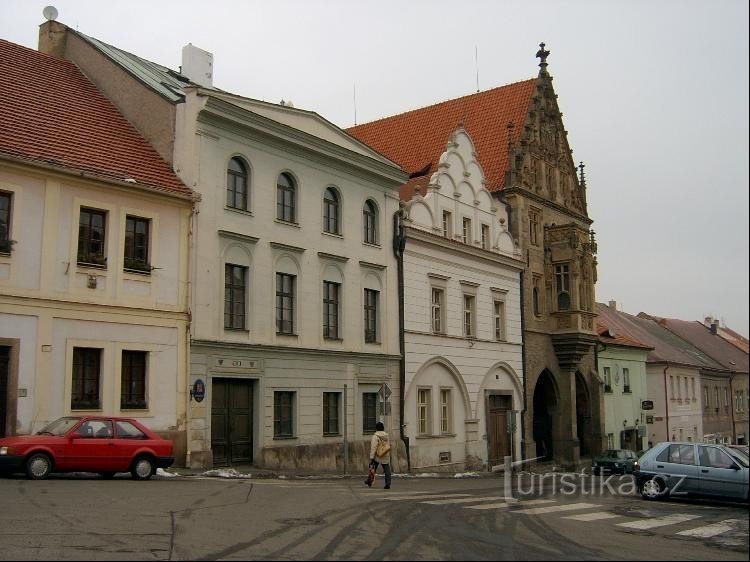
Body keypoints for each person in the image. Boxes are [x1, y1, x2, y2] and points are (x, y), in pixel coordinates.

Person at [364, 421, 392, 489]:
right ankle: (388, 484)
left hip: (378, 455)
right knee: (387, 470)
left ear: (376, 428)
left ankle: (369, 481)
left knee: (373, 468)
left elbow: (374, 447)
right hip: (385, 454)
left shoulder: (375, 436)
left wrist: (372, 457)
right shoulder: (386, 436)